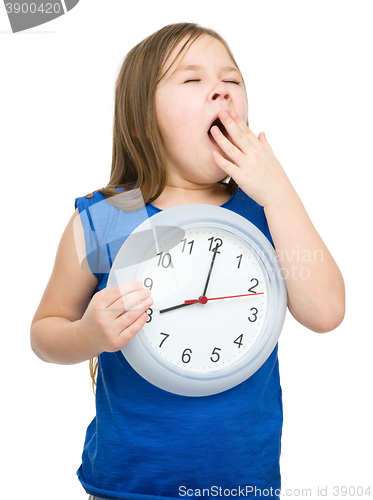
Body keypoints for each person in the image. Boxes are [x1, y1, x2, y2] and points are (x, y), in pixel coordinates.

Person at [30, 23, 345, 500]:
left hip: (244, 488)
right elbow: (44, 332)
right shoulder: (106, 218)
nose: (219, 88)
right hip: (126, 486)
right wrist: (86, 336)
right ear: (140, 122)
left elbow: (326, 313)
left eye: (231, 81)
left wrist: (280, 191)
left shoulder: (266, 211)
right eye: (192, 80)